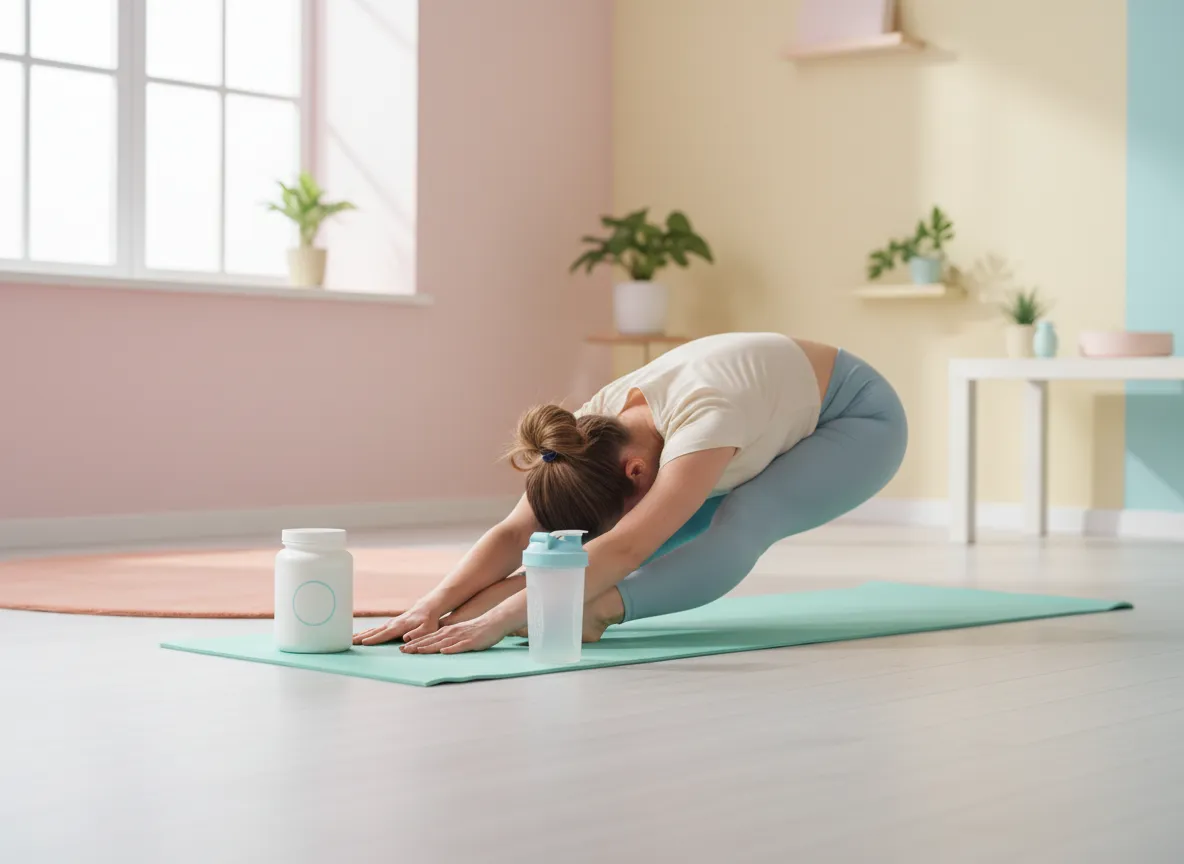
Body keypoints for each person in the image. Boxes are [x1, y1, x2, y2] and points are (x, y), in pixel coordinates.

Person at [353, 332, 907, 654]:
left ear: (636, 472)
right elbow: (514, 531)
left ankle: (601, 614)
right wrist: (433, 608)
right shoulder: (586, 429)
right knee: (589, 563)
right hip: (767, 422)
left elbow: (626, 547)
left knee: (743, 518)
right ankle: (552, 608)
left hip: (859, 421)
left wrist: (502, 621)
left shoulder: (704, 422)